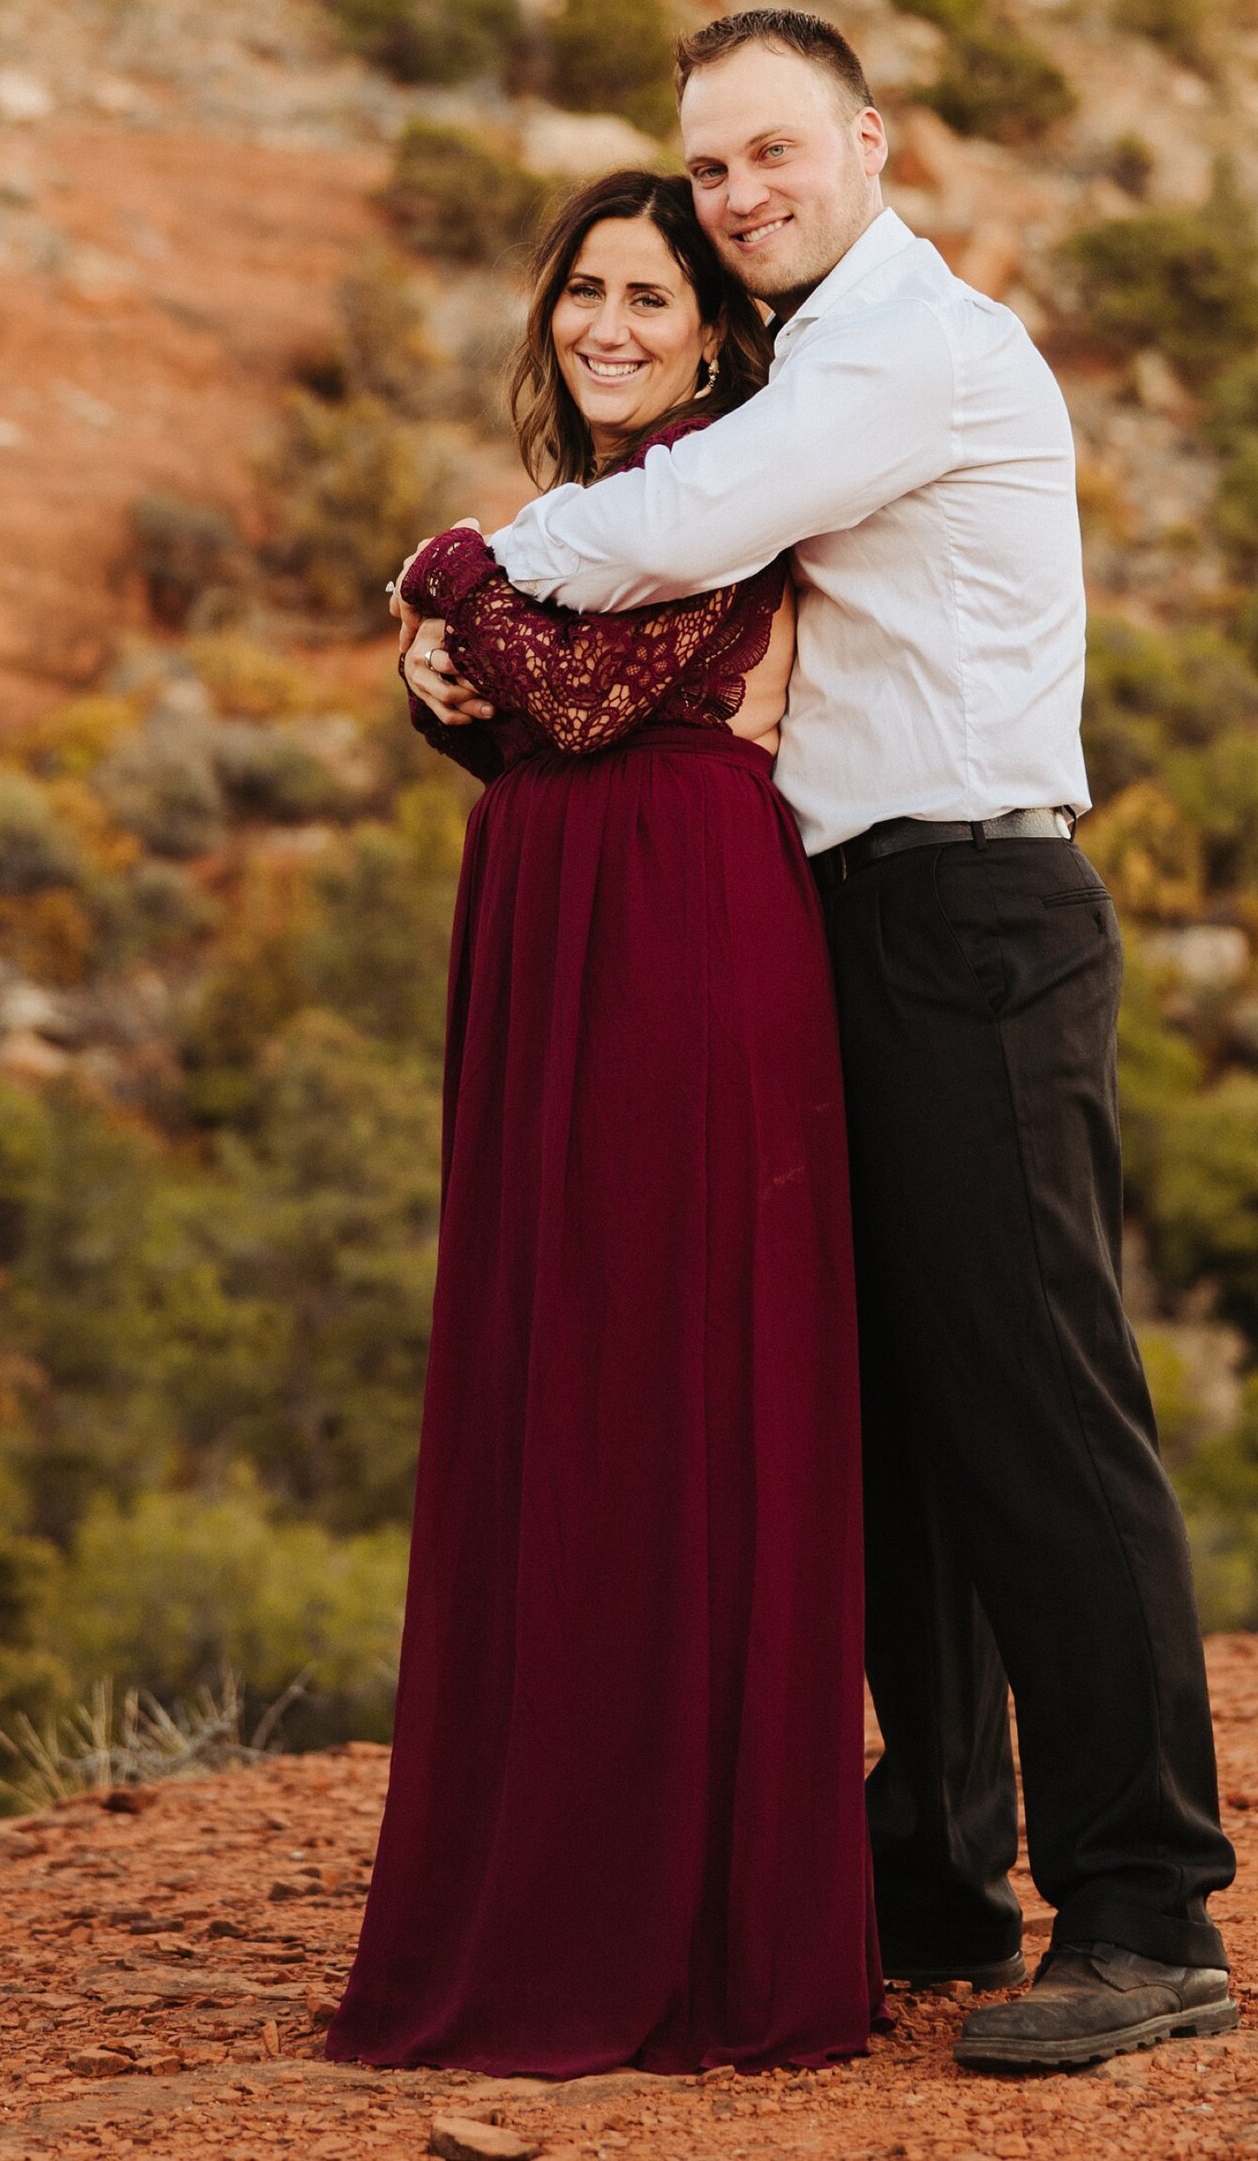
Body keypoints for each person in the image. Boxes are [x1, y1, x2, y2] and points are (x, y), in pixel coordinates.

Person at [408, 7, 1238, 2078]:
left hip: (967, 908)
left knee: (1038, 1409)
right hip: (834, 918)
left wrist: (455, 561)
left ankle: (1143, 1905)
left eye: (771, 151)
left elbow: (674, 526)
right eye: (710, 168)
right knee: (897, 1433)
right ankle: (936, 1876)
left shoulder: (906, 349)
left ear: (864, 139)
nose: (739, 194)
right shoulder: (808, 350)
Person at [325, 168, 882, 2079]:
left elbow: (571, 698)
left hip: (678, 940)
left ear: (716, 326)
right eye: (584, 293)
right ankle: (548, 1865)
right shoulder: (598, 510)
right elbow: (536, 718)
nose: (611, 327)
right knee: (554, 1367)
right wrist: (453, 669)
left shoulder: (725, 475)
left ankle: (674, 1914)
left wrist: (452, 572)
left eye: (652, 295)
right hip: (560, 923)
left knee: (661, 1369)